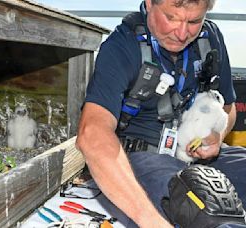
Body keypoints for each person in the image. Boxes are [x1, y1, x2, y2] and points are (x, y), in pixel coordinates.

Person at [76, 0, 246, 227]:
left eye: (194, 21)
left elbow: (228, 109)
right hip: (145, 158)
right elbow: (92, 134)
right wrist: (151, 221)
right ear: (149, 2)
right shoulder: (121, 46)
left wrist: (216, 135)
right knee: (203, 210)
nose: (182, 33)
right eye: (171, 17)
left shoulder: (211, 38)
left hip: (201, 159)